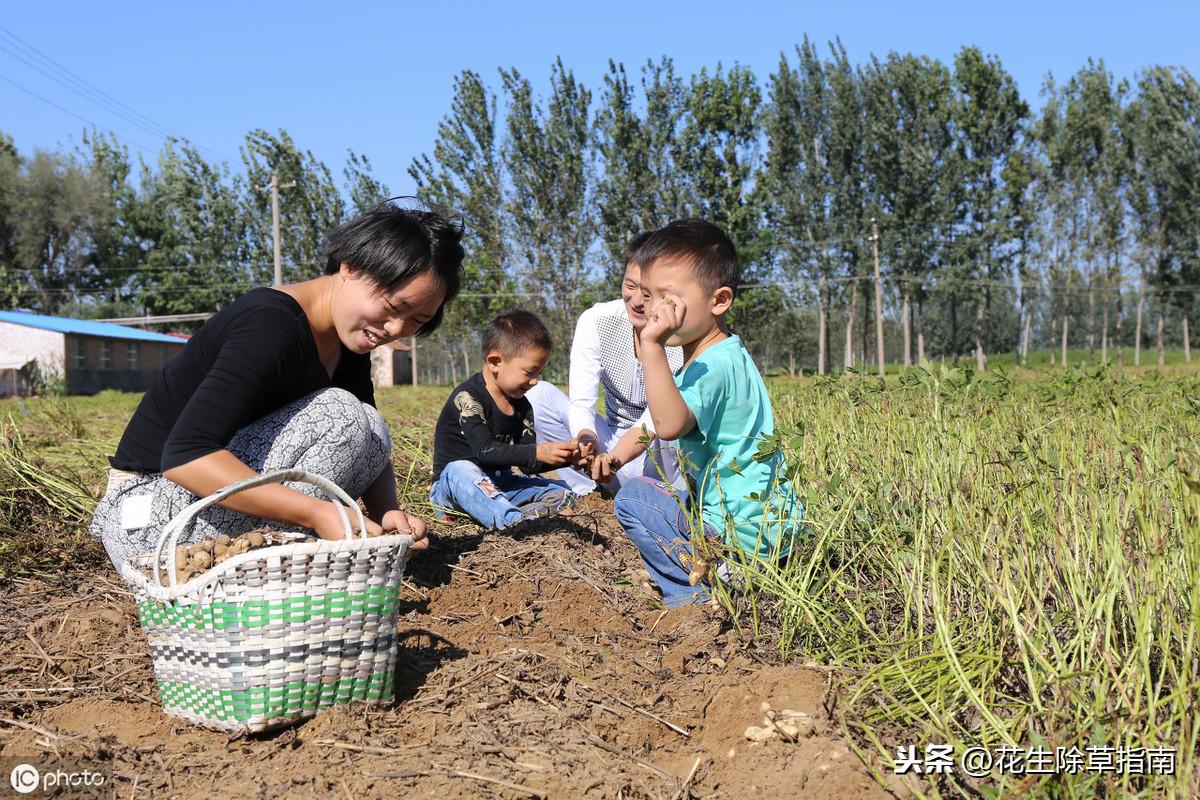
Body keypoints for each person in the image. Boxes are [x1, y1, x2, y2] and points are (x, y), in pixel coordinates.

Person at [90, 200, 464, 572]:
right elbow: (185, 456)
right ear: (350, 267)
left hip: (198, 511)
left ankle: (288, 560)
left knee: (369, 424)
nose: (396, 330)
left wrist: (387, 514)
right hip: (145, 521)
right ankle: (288, 558)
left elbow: (371, 443)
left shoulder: (349, 339)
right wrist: (317, 514)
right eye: (392, 307)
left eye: (416, 320)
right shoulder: (270, 325)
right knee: (343, 415)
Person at [612, 219, 803, 607]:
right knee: (675, 494)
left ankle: (693, 595)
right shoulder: (729, 351)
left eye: (668, 297)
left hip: (738, 535)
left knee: (632, 498)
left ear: (719, 301)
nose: (653, 309)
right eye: (648, 296)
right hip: (768, 526)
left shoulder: (709, 367)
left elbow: (667, 425)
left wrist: (650, 346)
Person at [525, 234, 685, 496]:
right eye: (629, 286)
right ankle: (586, 490)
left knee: (673, 426)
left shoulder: (681, 336)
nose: (635, 301)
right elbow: (581, 402)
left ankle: (664, 496)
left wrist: (616, 458)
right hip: (610, 441)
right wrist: (587, 439)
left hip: (658, 457)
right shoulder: (598, 320)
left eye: (647, 293)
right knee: (539, 395)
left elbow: (656, 422)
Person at [429, 311, 580, 529]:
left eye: (540, 372)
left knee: (562, 491)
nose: (536, 381)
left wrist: (568, 457)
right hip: (455, 487)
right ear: (495, 362)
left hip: (500, 485)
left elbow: (529, 465)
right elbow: (485, 450)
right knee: (460, 469)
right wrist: (538, 451)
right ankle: (515, 522)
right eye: (530, 372)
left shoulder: (522, 405)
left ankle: (498, 511)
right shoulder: (468, 398)